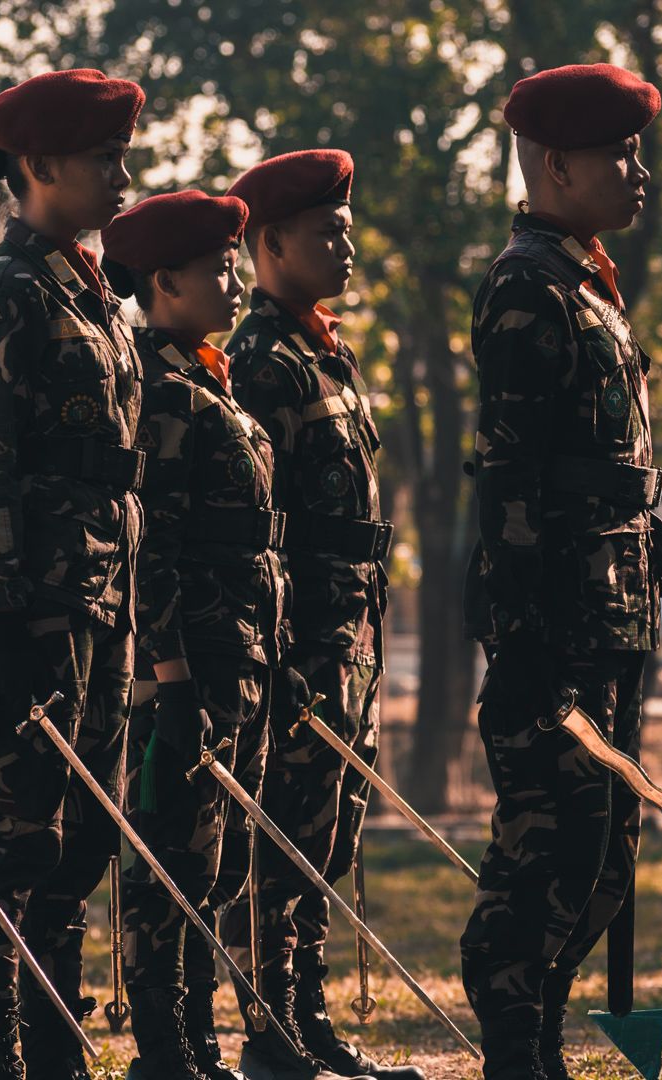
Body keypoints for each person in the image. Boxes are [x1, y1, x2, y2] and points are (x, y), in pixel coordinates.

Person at [459, 63, 662, 1080]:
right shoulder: (528, 288)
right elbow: (511, 473)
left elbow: (588, 461)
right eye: (619, 155)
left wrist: (647, 525)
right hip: (553, 623)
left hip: (609, 610)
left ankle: (539, 1038)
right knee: (548, 851)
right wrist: (516, 635)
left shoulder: (587, 282)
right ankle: (518, 1050)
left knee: (607, 856)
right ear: (557, 164)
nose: (638, 172)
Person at [0, 68, 146, 1080]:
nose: (122, 175)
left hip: (101, 606)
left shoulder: (98, 296)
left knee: (78, 852)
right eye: (104, 157)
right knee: (10, 849)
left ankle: (58, 1056)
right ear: (40, 166)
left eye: (123, 154)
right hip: (29, 617)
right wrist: (14, 610)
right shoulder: (4, 293)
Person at [100, 190, 299, 1080]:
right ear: (163, 280)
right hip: (193, 664)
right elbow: (155, 546)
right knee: (167, 863)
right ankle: (162, 1051)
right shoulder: (161, 394)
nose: (232, 277)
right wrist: (168, 670)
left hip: (242, 656)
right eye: (215, 266)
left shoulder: (208, 379)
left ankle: (200, 1043)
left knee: (213, 864)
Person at [224, 151, 411, 1080]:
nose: (344, 243)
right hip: (300, 641)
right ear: (269, 243)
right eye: (325, 230)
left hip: (350, 635)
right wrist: (287, 652)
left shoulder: (321, 350)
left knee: (327, 837)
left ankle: (309, 1019)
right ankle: (270, 1033)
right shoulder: (260, 360)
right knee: (282, 836)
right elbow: (266, 523)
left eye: (345, 225)